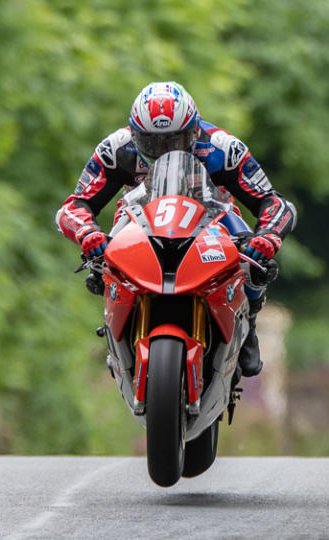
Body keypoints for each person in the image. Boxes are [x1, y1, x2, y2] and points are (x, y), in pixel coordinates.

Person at [55, 81, 296, 377]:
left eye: (175, 140)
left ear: (194, 130)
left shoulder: (223, 147)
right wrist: (87, 232)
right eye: (152, 143)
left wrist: (268, 236)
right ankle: (118, 323)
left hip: (211, 218)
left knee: (255, 257)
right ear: (134, 134)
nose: (163, 150)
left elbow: (273, 202)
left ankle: (249, 321)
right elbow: (73, 206)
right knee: (103, 258)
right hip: (139, 218)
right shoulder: (115, 149)